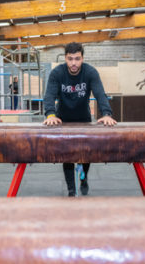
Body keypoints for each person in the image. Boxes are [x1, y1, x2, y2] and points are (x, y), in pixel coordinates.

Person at [43, 42, 117, 197]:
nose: (74, 63)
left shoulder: (90, 72)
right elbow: (49, 95)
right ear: (65, 58)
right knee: (67, 156)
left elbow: (100, 94)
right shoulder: (57, 73)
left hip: (83, 118)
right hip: (62, 119)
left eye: (77, 59)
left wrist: (107, 114)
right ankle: (71, 189)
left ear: (82, 58)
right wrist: (50, 114)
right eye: (70, 59)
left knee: (85, 154)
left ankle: (83, 178)